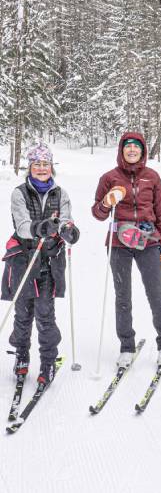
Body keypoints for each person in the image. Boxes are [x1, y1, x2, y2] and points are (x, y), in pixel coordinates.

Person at [91, 132, 161, 368]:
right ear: (121, 150)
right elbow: (97, 213)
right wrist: (107, 202)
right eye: (127, 147)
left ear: (142, 150)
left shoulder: (152, 177)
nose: (131, 150)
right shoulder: (109, 177)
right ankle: (126, 346)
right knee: (123, 296)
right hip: (119, 243)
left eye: (136, 147)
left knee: (155, 292)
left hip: (148, 241)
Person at [3, 143, 81, 386]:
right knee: (23, 314)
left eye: (45, 164)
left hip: (48, 260)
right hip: (23, 260)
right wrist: (40, 228)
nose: (41, 168)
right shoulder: (19, 192)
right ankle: (22, 356)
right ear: (30, 167)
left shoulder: (61, 194)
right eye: (36, 164)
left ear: (51, 167)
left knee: (45, 315)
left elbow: (66, 222)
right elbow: (22, 225)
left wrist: (69, 232)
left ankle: (48, 361)